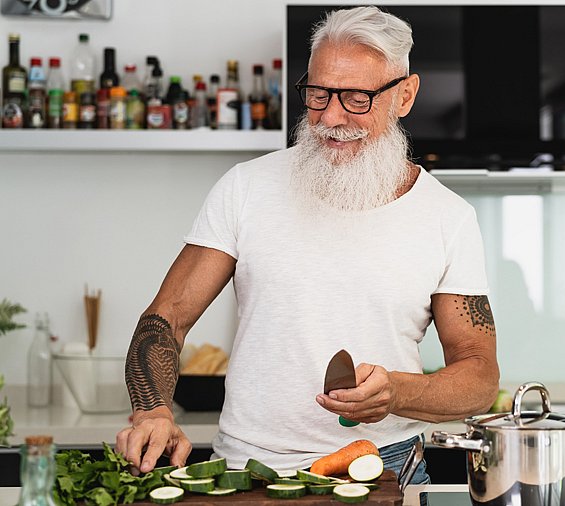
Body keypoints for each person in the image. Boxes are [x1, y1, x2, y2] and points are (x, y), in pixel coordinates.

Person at [115, 5, 499, 485]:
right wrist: (152, 411)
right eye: (318, 94)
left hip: (384, 469)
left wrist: (397, 393)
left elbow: (479, 377)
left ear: (405, 95)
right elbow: (165, 319)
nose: (331, 117)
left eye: (357, 97)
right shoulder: (245, 188)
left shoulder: (449, 218)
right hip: (249, 469)